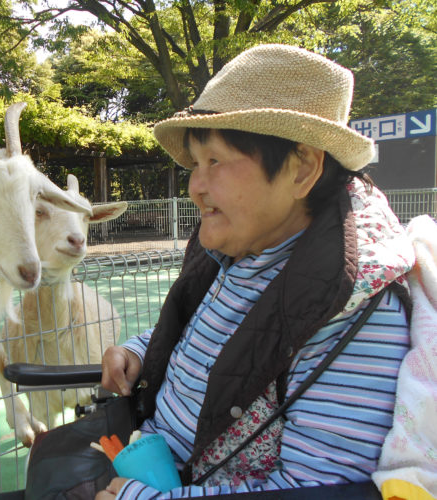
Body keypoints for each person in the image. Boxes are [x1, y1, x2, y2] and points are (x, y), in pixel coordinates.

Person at [96, 44, 415, 499]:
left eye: (216, 162)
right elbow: (212, 342)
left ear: (301, 168)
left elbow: (315, 489)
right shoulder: (247, 247)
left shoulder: (354, 309)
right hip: (144, 455)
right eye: (194, 164)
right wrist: (138, 351)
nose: (196, 187)